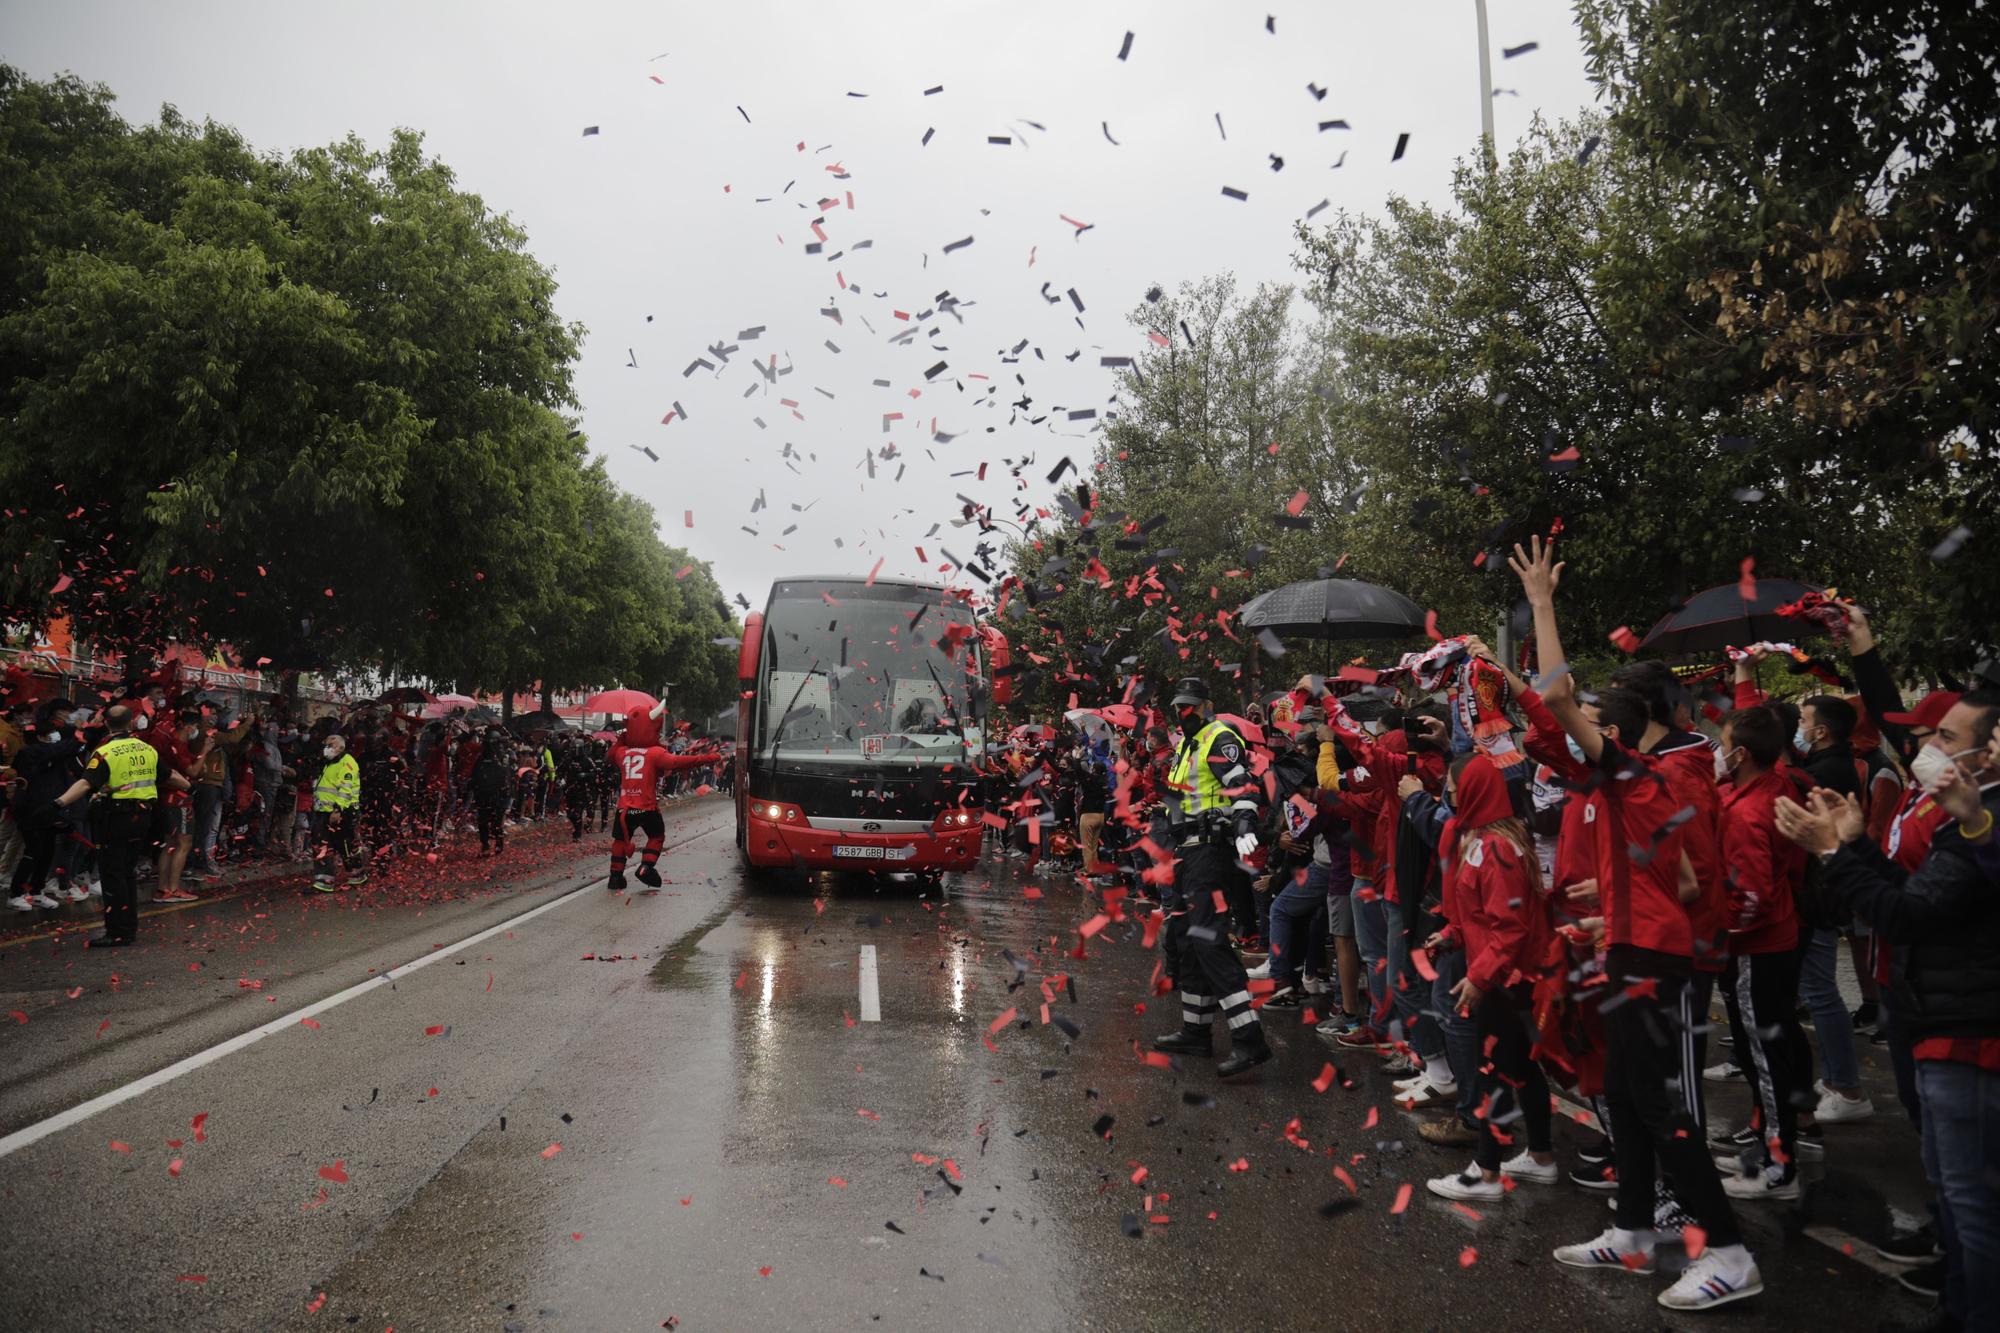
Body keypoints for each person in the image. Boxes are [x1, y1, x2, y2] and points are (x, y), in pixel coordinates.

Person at [1512, 536, 1760, 1311]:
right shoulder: (1656, 782)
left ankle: (1728, 1249)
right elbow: (1683, 878)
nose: (1597, 710)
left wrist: (1543, 602)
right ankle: (1632, 1230)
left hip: (1648, 959)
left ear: (1637, 719)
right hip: (1637, 947)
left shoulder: (1636, 772)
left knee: (1655, 1104)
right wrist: (1612, 902)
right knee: (1622, 1092)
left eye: (1610, 702)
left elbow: (1555, 695)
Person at [1776, 691, 2000, 1333]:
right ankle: (1956, 1301)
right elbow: (1907, 892)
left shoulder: (1981, 817)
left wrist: (1833, 854)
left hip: (1970, 1029)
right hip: (1935, 1013)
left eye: (1945, 736)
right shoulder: (1960, 813)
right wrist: (1854, 845)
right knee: (1954, 1189)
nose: (1927, 746)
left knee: (1973, 1202)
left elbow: (1906, 915)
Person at [1424, 752, 1560, 1201]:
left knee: (1494, 1072)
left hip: (1510, 979)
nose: (1449, 790)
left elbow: (1511, 926)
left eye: (1453, 783)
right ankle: (1540, 1156)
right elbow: (1480, 915)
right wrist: (1451, 934)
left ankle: (1486, 1174)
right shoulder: (1482, 838)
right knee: (1520, 1068)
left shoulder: (1497, 846)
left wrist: (1479, 978)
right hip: (1506, 973)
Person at [1709, 705, 1811, 1201]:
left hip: (1756, 947)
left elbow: (1749, 895)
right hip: (1769, 940)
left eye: (1723, 742)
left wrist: (1717, 933)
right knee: (1764, 1052)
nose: (1718, 752)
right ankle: (1772, 1144)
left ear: (1741, 753)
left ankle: (1779, 1165)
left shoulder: (1751, 810)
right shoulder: (1768, 789)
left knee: (1767, 1056)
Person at [1149, 677, 1272, 1078]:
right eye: (1180, 707)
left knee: (1209, 940)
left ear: (1207, 704)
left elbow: (1242, 786)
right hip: (1188, 852)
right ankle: (1196, 1031)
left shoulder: (1220, 738)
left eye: (1192, 706)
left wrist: (1244, 824)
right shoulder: (1189, 744)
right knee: (1185, 940)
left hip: (1209, 851)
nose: (1185, 714)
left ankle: (1249, 1039)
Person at [46, 704, 188, 946]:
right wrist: (189, 787)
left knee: (112, 874)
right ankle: (129, 926)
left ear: (108, 725)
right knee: (127, 873)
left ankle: (117, 931)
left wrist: (57, 803)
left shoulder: (106, 752)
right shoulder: (147, 749)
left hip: (116, 819)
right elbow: (170, 775)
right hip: (142, 819)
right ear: (131, 723)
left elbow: (85, 784)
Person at [606, 702, 713, 891]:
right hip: (646, 806)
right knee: (656, 836)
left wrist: (623, 738)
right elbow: (678, 762)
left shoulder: (622, 753)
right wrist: (705, 758)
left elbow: (611, 754)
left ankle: (615, 877)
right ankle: (646, 867)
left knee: (620, 841)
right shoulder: (655, 753)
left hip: (624, 807)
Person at [7, 701, 86, 910]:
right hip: (31, 810)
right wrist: (78, 736)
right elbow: (57, 751)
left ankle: (36, 890)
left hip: (51, 809)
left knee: (48, 852)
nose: (56, 737)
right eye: (52, 734)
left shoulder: (55, 753)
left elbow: (68, 751)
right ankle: (16, 893)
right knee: (33, 851)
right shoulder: (30, 753)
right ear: (42, 736)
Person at [310, 732, 366, 891]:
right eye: (326, 745)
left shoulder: (347, 763)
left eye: (330, 745)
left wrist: (338, 809)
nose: (327, 749)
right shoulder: (329, 763)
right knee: (322, 845)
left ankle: (357, 874)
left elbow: (345, 789)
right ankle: (324, 881)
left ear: (341, 747)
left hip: (342, 812)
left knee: (345, 845)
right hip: (324, 811)